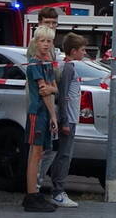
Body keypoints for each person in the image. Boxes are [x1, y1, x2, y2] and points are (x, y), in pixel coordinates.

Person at [39, 32, 87, 208]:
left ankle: (48, 187)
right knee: (63, 155)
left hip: (71, 118)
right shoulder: (68, 68)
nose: (85, 53)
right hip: (69, 119)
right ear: (73, 51)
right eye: (82, 50)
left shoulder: (69, 66)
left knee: (60, 154)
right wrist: (65, 122)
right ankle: (57, 191)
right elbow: (64, 94)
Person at [23, 25, 59, 213]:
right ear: (36, 42)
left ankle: (35, 192)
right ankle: (31, 195)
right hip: (37, 112)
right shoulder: (35, 63)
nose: (46, 44)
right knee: (35, 154)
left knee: (41, 153)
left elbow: (53, 88)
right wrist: (52, 114)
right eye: (42, 41)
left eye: (49, 41)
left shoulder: (48, 63)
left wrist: (52, 115)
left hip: (46, 113)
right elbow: (44, 90)